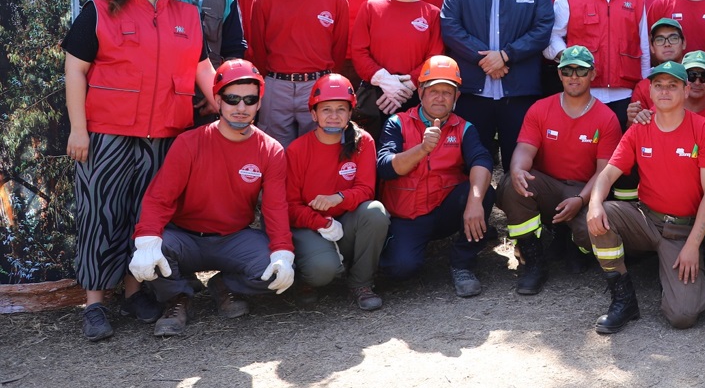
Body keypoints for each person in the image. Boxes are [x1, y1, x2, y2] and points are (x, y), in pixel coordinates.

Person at [62, 0, 216, 341]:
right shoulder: (98, 11)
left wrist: (231, 103)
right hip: (105, 136)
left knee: (144, 219)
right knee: (101, 216)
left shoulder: (187, 16)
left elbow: (203, 71)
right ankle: (94, 304)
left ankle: (134, 292)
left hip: (165, 137)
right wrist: (79, 129)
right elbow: (74, 70)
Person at [129, 60, 294, 337]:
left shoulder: (271, 150)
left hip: (233, 237)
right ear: (217, 99)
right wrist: (147, 238)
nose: (241, 107)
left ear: (258, 103)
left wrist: (283, 252)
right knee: (149, 248)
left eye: (250, 100)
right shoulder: (189, 142)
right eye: (232, 99)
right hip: (185, 238)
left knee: (274, 268)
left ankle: (224, 286)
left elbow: (275, 208)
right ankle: (177, 299)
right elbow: (160, 198)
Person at [586, 61, 705, 332]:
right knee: (599, 216)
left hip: (683, 230)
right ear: (649, 91)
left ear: (686, 91)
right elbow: (606, 175)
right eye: (658, 85)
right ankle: (623, 299)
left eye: (672, 85)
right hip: (646, 219)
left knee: (683, 316)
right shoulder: (640, 127)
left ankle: (680, 278)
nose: (665, 91)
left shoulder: (704, 129)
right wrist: (593, 205)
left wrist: (693, 245)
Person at [501, 46, 622, 294]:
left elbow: (603, 173)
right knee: (513, 185)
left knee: (590, 233)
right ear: (559, 74)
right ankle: (533, 262)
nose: (573, 76)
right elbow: (524, 150)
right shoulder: (540, 108)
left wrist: (580, 199)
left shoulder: (607, 117)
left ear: (593, 74)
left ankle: (573, 245)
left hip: (583, 190)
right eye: (567, 70)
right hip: (549, 186)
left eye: (581, 70)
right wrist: (517, 170)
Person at [377, 56, 496, 297]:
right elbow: (385, 167)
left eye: (447, 92)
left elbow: (482, 160)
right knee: (401, 269)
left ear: (456, 97)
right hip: (407, 216)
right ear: (420, 92)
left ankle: (462, 264)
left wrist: (474, 201)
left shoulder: (464, 127)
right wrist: (421, 150)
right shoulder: (397, 123)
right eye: (433, 91)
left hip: (444, 211)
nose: (440, 98)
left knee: (483, 192)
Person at [441, 0, 554, 170]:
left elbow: (542, 31)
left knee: (521, 165)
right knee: (469, 163)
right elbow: (450, 27)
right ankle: (473, 208)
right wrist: (487, 59)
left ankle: (520, 209)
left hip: (519, 94)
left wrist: (505, 55)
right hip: (473, 92)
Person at [286, 74, 390, 310]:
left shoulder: (364, 141)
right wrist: (320, 222)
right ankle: (307, 279)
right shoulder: (297, 150)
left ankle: (361, 282)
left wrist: (339, 198)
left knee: (375, 212)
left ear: (350, 112)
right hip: (310, 226)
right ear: (314, 114)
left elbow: (366, 190)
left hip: (347, 220)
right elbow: (290, 206)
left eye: (341, 109)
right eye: (326, 109)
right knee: (322, 271)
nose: (334, 116)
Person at [250, 0, 350, 146]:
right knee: (274, 154)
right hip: (276, 86)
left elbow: (339, 50)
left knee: (319, 152)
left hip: (318, 85)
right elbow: (258, 48)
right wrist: (275, 80)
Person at [547, 0, 651, 122]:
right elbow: (551, 37)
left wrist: (643, 91)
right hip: (583, 94)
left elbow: (644, 48)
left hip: (626, 97)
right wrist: (568, 58)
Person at [351, 0, 441, 129]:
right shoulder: (371, 8)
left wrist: (405, 86)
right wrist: (385, 81)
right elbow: (359, 52)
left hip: (415, 96)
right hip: (375, 97)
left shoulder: (432, 14)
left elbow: (434, 57)